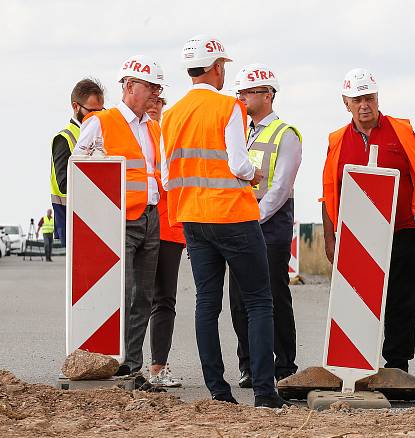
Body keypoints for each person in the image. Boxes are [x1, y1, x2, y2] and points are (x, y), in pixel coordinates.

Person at [161, 35, 287, 408]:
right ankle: (265, 393)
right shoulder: (229, 107)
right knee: (260, 302)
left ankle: (218, 392)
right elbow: (237, 163)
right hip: (232, 215)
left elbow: (167, 178)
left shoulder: (170, 115)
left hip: (191, 219)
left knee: (206, 303)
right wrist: (252, 176)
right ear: (217, 67)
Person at [321, 68, 415, 372]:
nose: (364, 104)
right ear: (347, 103)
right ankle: (355, 363)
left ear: (378, 98)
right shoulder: (337, 140)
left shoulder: (401, 130)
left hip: (401, 230)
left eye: (369, 97)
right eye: (357, 99)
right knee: (355, 302)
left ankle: (397, 364)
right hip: (356, 235)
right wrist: (331, 239)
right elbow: (330, 191)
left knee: (402, 300)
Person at [74, 55, 166, 377]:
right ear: (129, 86)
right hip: (120, 221)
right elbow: (80, 170)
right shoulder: (101, 122)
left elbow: (156, 174)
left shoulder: (153, 128)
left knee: (144, 295)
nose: (156, 92)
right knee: (123, 293)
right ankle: (112, 358)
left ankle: (132, 365)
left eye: (158, 87)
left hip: (150, 218)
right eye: (150, 86)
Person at [230, 64, 302, 388]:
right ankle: (248, 364)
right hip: (241, 224)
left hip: (270, 228)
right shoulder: (241, 133)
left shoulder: (285, 134)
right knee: (238, 298)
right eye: (240, 92)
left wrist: (255, 217)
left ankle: (285, 364)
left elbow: (281, 187)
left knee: (273, 295)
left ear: (268, 94)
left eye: (248, 92)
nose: (242, 97)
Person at [146, 97, 183, 388]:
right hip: (139, 225)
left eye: (159, 102)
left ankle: (158, 366)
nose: (153, 105)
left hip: (170, 229)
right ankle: (127, 362)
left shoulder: (171, 135)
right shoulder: (134, 136)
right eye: (150, 100)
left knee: (164, 299)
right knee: (136, 299)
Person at [50, 79, 104, 245]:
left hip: (100, 217)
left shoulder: (103, 132)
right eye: (91, 111)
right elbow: (64, 184)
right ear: (76, 106)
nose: (97, 116)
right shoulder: (64, 138)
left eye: (101, 111)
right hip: (71, 218)